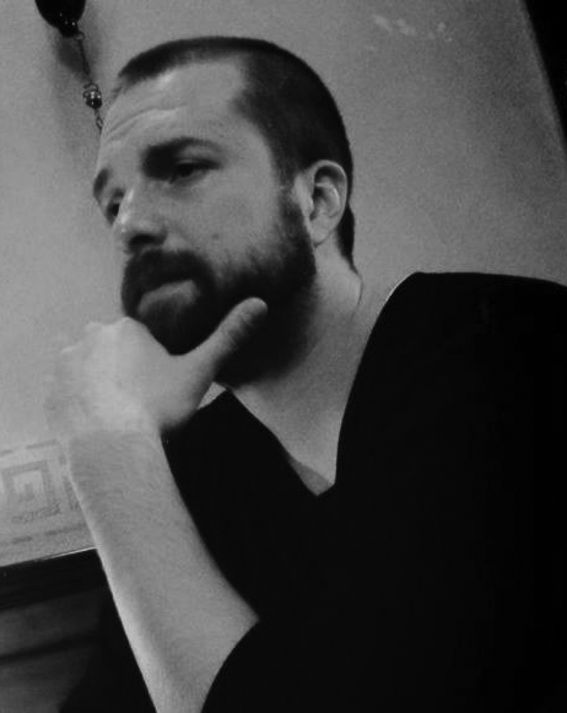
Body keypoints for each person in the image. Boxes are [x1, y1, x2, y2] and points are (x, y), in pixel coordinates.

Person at [45, 37, 567, 713]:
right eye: (112, 204)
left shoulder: (513, 348)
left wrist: (110, 459)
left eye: (182, 168)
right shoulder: (192, 474)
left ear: (316, 201)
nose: (129, 225)